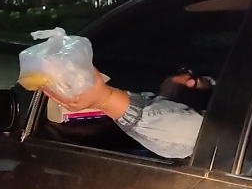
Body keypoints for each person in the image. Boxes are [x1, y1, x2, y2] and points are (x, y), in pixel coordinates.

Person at [44, 66, 215, 159]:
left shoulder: (209, 130)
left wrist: (106, 98)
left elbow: (196, 132)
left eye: (184, 71)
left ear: (192, 83)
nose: (183, 69)